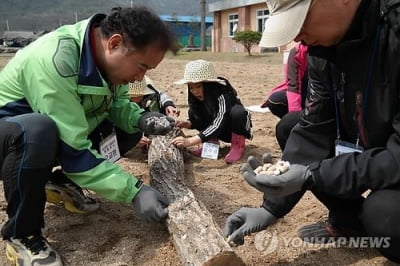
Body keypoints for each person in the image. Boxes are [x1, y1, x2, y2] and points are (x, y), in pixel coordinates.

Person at [224, 0, 400, 262]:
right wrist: (270, 208)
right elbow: (314, 127)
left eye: (301, 20)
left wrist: (312, 175)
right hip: (372, 143)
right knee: (291, 127)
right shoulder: (322, 49)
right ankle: (349, 219)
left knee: (385, 217)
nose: (296, 35)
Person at [0, 6, 177, 266]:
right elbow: (74, 148)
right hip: (9, 141)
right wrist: (135, 192)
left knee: (127, 129)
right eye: (141, 66)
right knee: (38, 130)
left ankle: (55, 180)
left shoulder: (101, 59)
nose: (141, 78)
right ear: (115, 43)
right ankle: (22, 234)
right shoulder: (55, 60)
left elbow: (112, 105)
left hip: (49, 136)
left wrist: (140, 118)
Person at [171, 59, 252, 164]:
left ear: (209, 84)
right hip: (213, 130)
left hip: (229, 130)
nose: (195, 91)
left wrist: (189, 141)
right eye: (191, 87)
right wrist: (186, 123)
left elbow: (219, 122)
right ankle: (211, 143)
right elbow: (199, 118)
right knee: (192, 112)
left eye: (199, 86)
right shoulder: (196, 98)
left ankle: (237, 145)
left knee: (238, 112)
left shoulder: (223, 95)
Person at [261, 42, 309, 150]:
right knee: (284, 124)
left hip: (325, 100)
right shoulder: (297, 52)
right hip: (304, 94)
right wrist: (294, 118)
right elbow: (293, 85)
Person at [128, 75, 180, 150]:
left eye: (138, 95)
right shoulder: (119, 102)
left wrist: (168, 105)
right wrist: (132, 140)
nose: (135, 98)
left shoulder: (151, 93)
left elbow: (161, 95)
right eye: (132, 97)